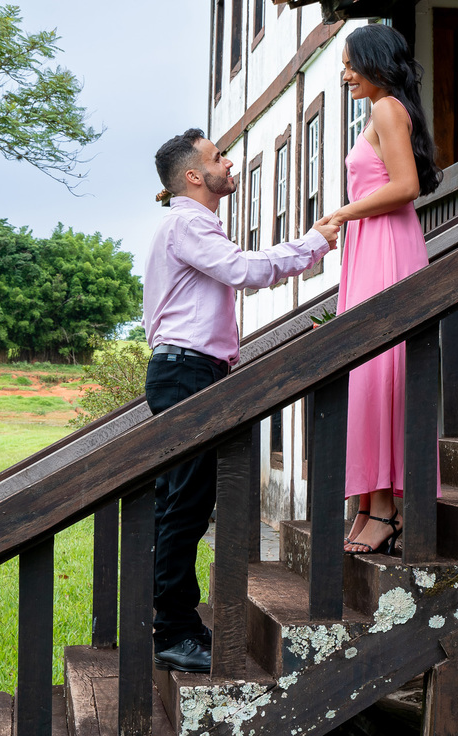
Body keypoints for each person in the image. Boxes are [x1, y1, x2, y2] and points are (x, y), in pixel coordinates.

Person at [143, 128, 339, 672]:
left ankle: (173, 624)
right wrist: (315, 241)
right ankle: (173, 634)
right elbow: (245, 271)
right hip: (187, 372)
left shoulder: (190, 224)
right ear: (192, 175)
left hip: (189, 370)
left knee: (180, 505)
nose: (229, 164)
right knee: (184, 508)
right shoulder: (186, 223)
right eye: (218, 158)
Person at [330, 24, 443, 555]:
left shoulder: (386, 109)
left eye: (352, 63)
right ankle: (368, 503)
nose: (346, 73)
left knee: (380, 372)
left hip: (386, 247)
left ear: (377, 62)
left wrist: (344, 212)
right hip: (372, 245)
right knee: (369, 375)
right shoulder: (384, 110)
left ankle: (386, 510)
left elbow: (406, 187)